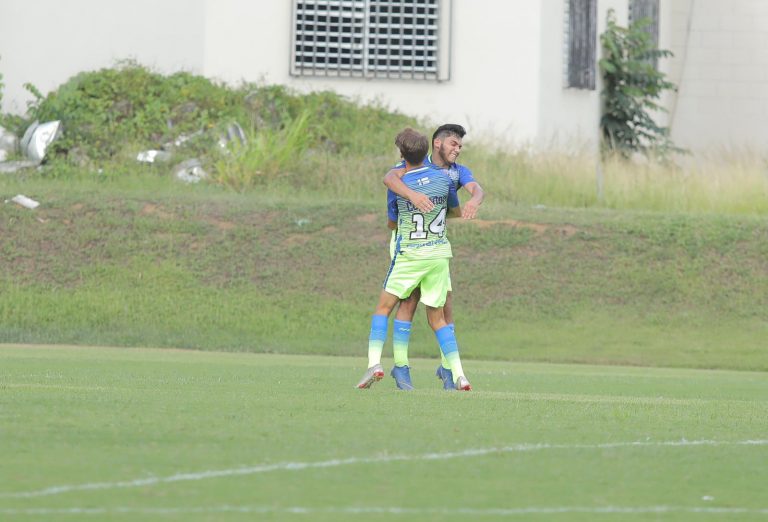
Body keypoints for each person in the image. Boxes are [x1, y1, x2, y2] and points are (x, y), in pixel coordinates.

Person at [356, 128, 471, 392]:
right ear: (429, 149)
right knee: (438, 317)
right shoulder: (445, 179)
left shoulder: (399, 182)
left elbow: (392, 221)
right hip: (439, 254)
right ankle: (459, 374)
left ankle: (376, 364)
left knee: (388, 307)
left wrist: (412, 200)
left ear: (402, 153)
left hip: (409, 252)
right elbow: (454, 211)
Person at [383, 124, 485, 390]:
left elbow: (476, 188)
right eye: (453, 143)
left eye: (460, 146)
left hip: (435, 248)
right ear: (437, 143)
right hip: (408, 245)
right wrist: (413, 197)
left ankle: (447, 368)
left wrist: (474, 200)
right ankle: (401, 367)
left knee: (444, 307)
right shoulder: (414, 164)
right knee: (409, 302)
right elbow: (390, 179)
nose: (458, 149)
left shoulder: (457, 172)